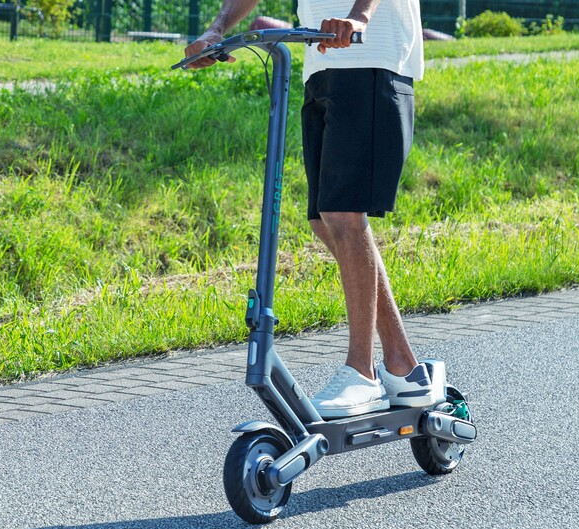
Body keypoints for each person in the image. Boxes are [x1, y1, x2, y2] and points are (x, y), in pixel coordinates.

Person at [184, 0, 435, 419]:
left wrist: (359, 17)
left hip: (372, 59)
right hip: (320, 66)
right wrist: (217, 30)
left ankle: (363, 372)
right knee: (325, 220)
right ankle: (402, 364)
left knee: (343, 215)